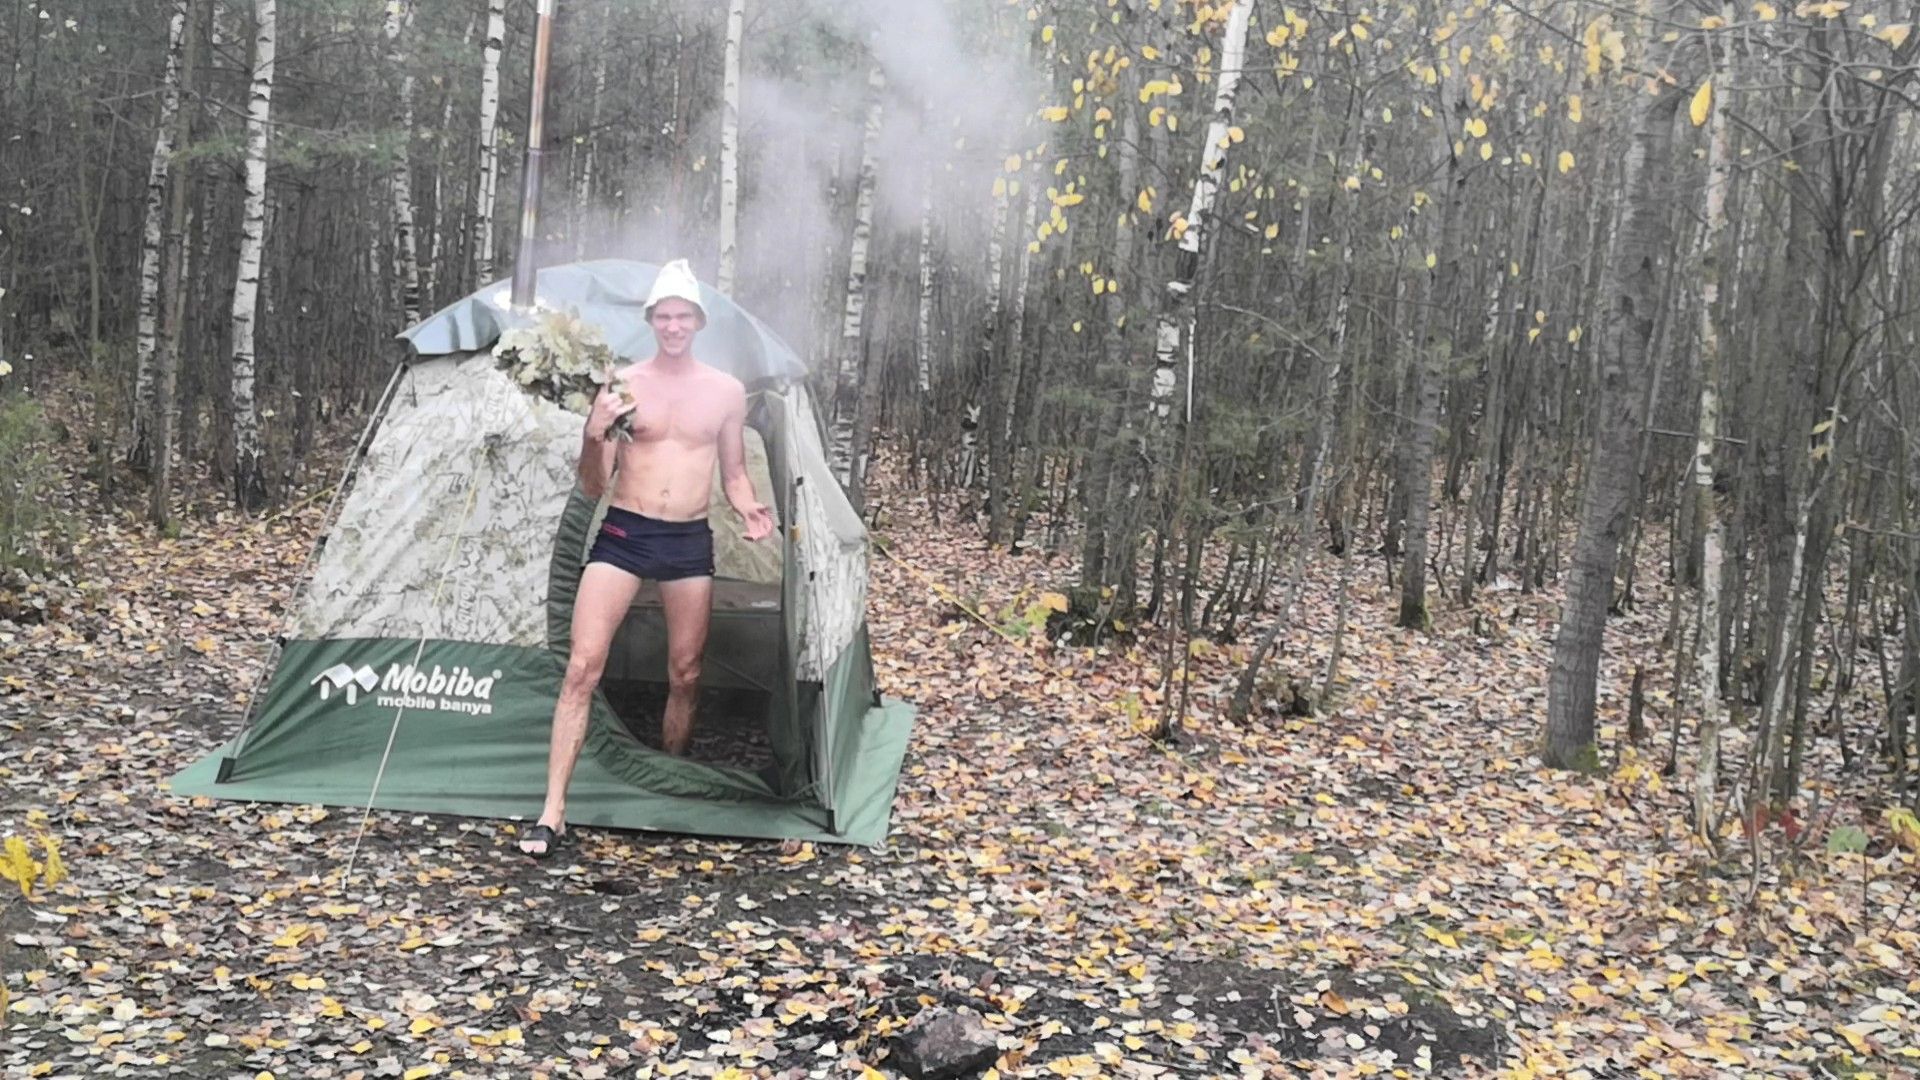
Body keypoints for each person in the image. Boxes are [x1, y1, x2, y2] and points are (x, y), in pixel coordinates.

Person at [519, 259, 774, 858]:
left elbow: (734, 473)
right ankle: (552, 812)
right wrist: (594, 431)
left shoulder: (726, 391)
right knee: (582, 668)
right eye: (664, 316)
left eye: (683, 316)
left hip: (687, 541)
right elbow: (593, 483)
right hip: (624, 534)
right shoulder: (623, 385)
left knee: (685, 673)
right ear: (651, 321)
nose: (674, 326)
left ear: (699, 321)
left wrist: (749, 508)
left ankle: (668, 784)